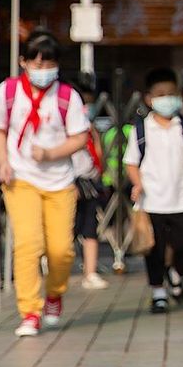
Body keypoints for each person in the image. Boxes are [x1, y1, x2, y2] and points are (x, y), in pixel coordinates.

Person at [0, 29, 90, 337]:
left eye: (49, 65)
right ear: (24, 62)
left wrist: (51, 153)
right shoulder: (8, 91)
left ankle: (54, 294)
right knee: (28, 244)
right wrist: (3, 162)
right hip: (21, 178)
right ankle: (30, 311)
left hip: (60, 180)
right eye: (37, 63)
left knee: (61, 250)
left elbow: (81, 137)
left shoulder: (67, 96)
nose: (43, 71)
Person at [125, 69, 183, 314]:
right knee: (154, 249)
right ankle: (158, 292)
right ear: (149, 99)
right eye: (161, 94)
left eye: (172, 93)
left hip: (182, 200)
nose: (167, 99)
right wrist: (137, 183)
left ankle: (175, 272)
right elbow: (131, 162)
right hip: (151, 201)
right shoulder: (140, 130)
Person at [72, 119, 109, 290]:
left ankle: (90, 272)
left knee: (90, 229)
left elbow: (98, 157)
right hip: (67, 183)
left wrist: (95, 136)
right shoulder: (64, 131)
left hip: (89, 183)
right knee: (66, 231)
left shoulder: (88, 131)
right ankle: (56, 269)